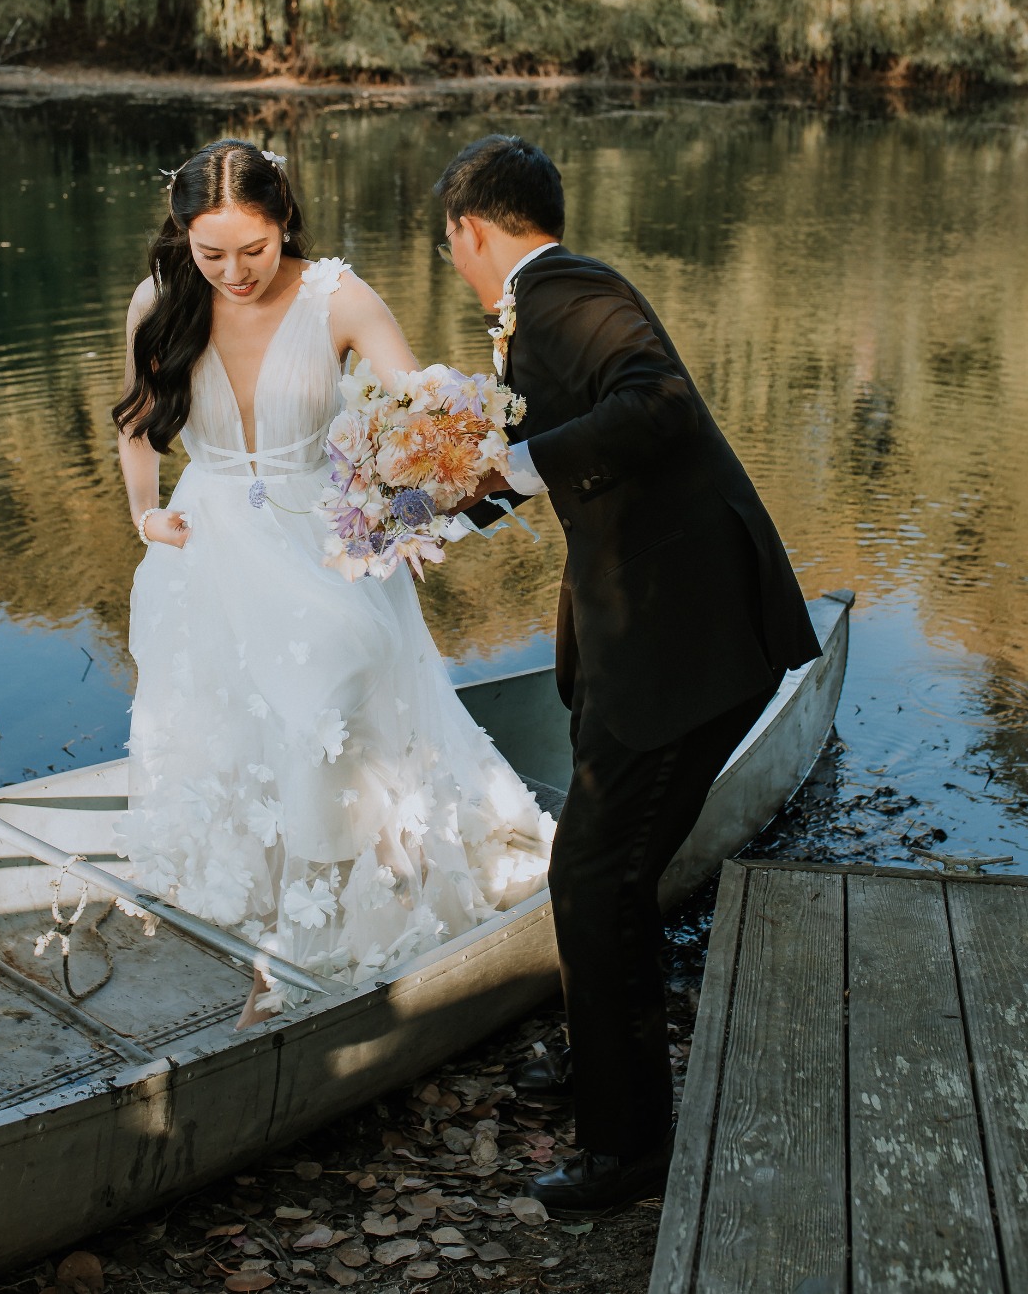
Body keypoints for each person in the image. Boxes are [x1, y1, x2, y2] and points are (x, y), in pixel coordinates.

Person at [436, 134, 822, 1214]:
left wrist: (509, 462)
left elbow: (653, 405)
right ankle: (595, 1052)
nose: (456, 269)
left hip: (684, 642)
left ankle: (628, 1149)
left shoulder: (567, 289)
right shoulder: (546, 306)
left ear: (470, 229)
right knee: (606, 873)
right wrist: (426, 504)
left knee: (595, 878)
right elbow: (551, 446)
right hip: (651, 634)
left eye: (450, 248)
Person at [112, 138, 553, 1027]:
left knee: (328, 705)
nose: (234, 272)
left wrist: (440, 450)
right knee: (231, 726)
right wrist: (144, 515)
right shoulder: (159, 301)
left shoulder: (338, 298)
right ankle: (261, 900)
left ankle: (304, 947)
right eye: (212, 254)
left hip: (323, 547)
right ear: (183, 237)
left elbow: (417, 405)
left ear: (284, 225)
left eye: (255, 250)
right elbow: (133, 422)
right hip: (206, 548)